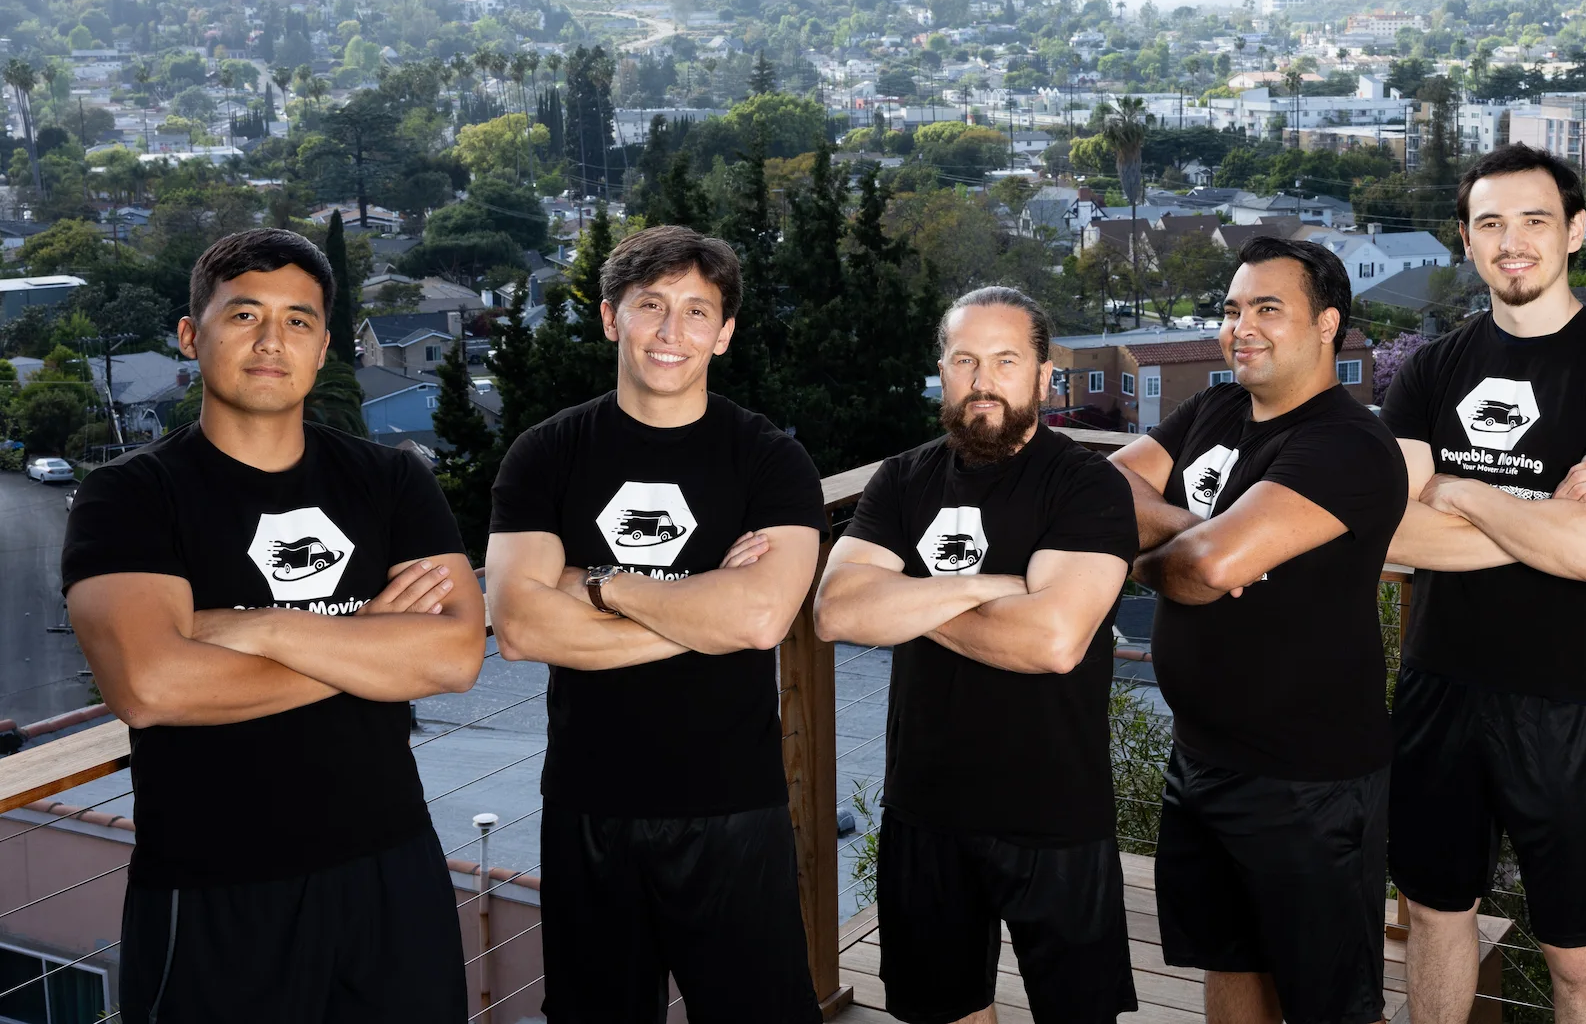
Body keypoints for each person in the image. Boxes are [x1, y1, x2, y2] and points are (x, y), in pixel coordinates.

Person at [62, 229, 485, 1023]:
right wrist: (369, 639)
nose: (270, 340)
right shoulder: (131, 495)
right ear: (192, 334)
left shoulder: (392, 479)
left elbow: (456, 655)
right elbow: (152, 684)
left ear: (324, 346)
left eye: (297, 321)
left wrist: (256, 627)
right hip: (212, 891)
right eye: (244, 314)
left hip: (393, 877)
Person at [486, 224, 825, 1024]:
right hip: (589, 807)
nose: (672, 333)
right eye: (651, 306)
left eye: (697, 311)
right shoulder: (545, 454)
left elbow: (762, 614)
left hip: (733, 808)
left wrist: (595, 583)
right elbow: (523, 627)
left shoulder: (770, 459)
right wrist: (707, 606)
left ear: (725, 332)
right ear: (611, 318)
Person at [1381, 143, 1586, 1024]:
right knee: (1435, 915)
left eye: (1535, 220)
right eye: (1491, 223)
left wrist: (1461, 490)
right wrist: (1545, 511)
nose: (1514, 242)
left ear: (1575, 231)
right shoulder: (1431, 369)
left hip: (1563, 700)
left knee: (1578, 956)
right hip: (1437, 683)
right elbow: (1389, 530)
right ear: (1465, 240)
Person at [815, 287, 1142, 1024]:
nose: (982, 379)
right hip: (926, 805)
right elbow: (836, 610)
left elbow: (1055, 642)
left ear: (1044, 375)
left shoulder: (1087, 484)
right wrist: (996, 586)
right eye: (965, 360)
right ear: (943, 370)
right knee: (947, 1012)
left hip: (1055, 809)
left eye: (1004, 359)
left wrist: (911, 598)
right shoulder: (902, 478)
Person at [1108, 237, 1409, 1024]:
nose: (1241, 325)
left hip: (1309, 779)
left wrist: (1159, 550)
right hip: (1202, 756)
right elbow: (1100, 489)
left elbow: (1206, 570)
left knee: (1331, 1002)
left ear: (1326, 326)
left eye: (1268, 307)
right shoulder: (1216, 407)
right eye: (1233, 308)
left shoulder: (1347, 442)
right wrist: (1196, 536)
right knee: (1229, 960)